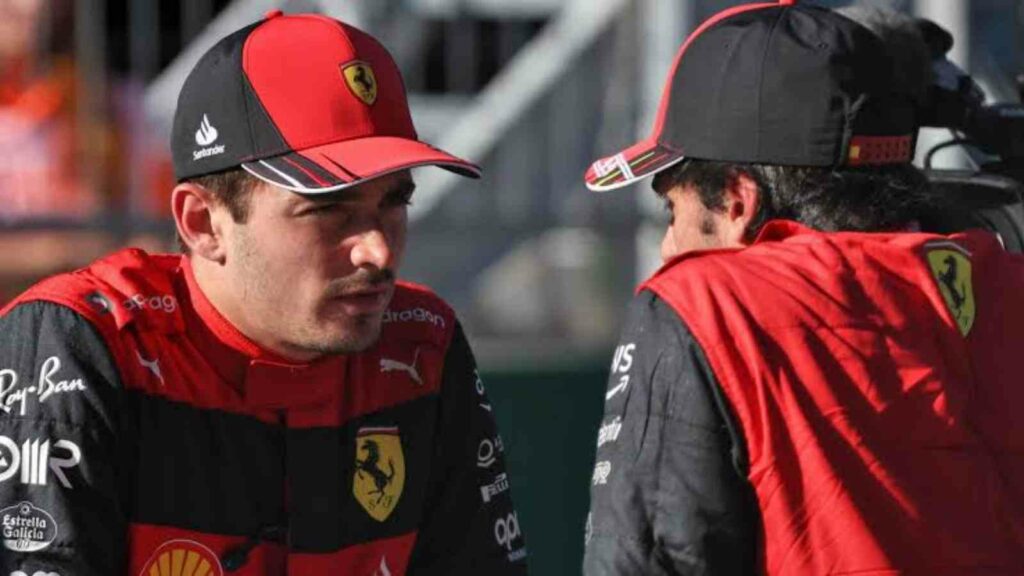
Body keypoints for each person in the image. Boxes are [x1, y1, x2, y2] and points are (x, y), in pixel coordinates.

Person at [0, 10, 527, 575]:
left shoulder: (422, 342)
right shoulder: (82, 344)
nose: (377, 250)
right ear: (203, 224)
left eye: (394, 203)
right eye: (327, 211)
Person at [582, 1, 1024, 574]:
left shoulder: (706, 305)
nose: (668, 247)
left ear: (738, 203)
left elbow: (647, 559)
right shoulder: (1004, 284)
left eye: (672, 211)